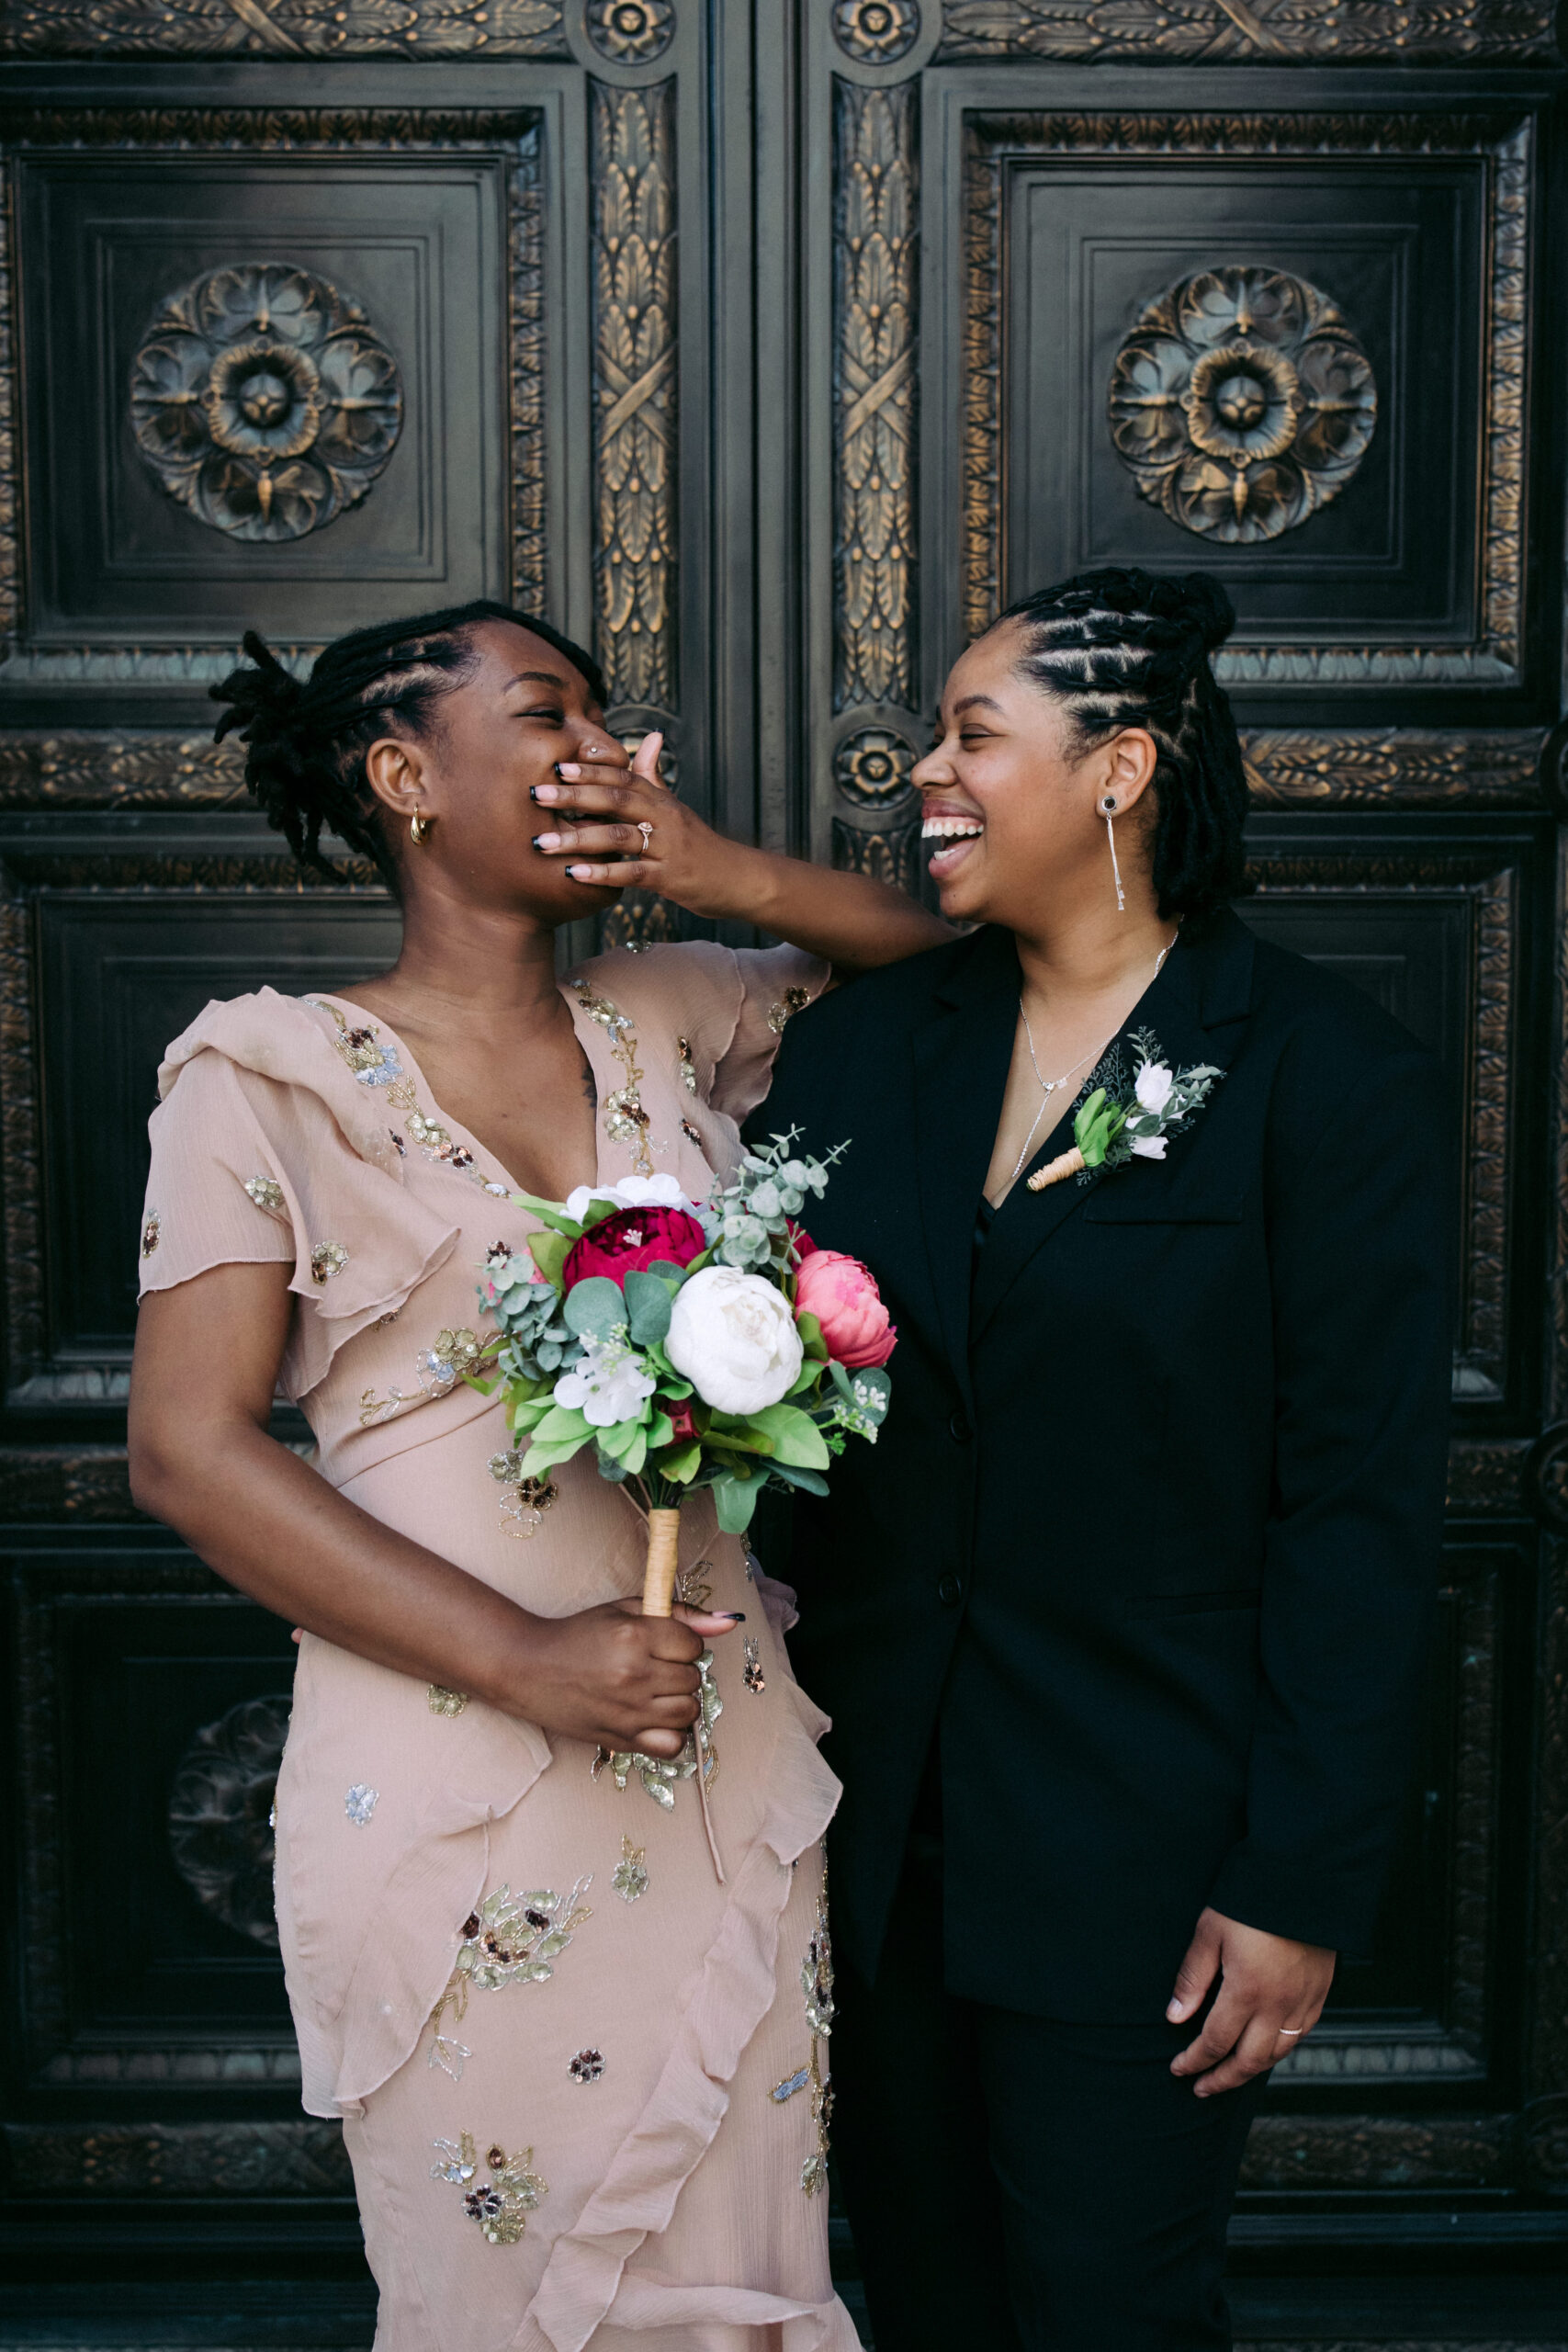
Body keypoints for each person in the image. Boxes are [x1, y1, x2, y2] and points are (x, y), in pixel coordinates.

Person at [127, 598, 947, 2352]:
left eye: (605, 720)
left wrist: (712, 868)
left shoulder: (668, 1015)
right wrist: (525, 1659)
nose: (599, 750)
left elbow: (945, 966)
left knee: (740, 2286)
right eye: (549, 714)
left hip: (711, 1754)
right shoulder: (262, 1076)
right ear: (408, 775)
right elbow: (186, 1455)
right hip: (453, 1785)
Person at [754, 567, 1453, 2351]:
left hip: (1146, 1852)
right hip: (874, 1827)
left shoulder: (1322, 1073)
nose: (927, 770)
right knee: (918, 2292)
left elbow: (1354, 1506)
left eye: (973, 734)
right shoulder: (855, 1050)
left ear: (1120, 768)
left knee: (1105, 2310)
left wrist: (1294, 1879)